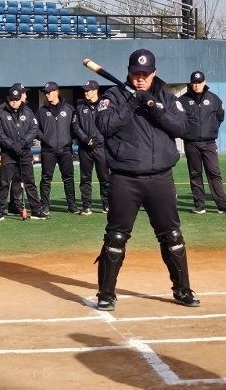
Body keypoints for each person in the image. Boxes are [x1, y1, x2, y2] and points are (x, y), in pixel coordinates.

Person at [95, 49, 198, 311]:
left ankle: (183, 289)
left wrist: (153, 106)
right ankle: (106, 293)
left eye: (145, 74)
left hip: (160, 178)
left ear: (154, 73)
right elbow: (105, 126)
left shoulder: (167, 97)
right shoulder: (114, 96)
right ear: (128, 73)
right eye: (135, 74)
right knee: (116, 237)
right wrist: (131, 104)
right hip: (125, 178)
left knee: (172, 236)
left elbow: (182, 127)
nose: (140, 79)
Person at [0, 86, 47, 220]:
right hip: (8, 153)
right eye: (12, 99)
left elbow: (33, 129)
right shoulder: (1, 113)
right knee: (4, 182)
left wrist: (21, 143)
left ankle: (36, 209)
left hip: (24, 152)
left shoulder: (28, 112)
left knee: (29, 181)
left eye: (17, 99)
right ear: (8, 99)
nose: (14, 102)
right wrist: (12, 145)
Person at [178, 71, 226, 214]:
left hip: (209, 143)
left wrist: (210, 131)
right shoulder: (182, 100)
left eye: (199, 82)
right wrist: (187, 133)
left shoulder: (214, 99)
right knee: (195, 174)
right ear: (191, 83)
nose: (197, 85)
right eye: (194, 82)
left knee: (214, 173)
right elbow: (178, 120)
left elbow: (220, 116)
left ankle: (222, 205)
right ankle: (199, 205)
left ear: (204, 82)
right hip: (191, 143)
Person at [36, 81, 79, 215]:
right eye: (45, 92)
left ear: (56, 92)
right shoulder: (41, 111)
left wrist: (67, 138)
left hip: (65, 149)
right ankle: (45, 205)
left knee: (68, 178)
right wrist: (45, 138)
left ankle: (71, 205)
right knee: (46, 178)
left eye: (49, 92)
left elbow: (75, 127)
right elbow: (35, 128)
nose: (47, 94)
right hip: (48, 150)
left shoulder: (69, 109)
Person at [71, 80, 110, 215]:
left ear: (95, 91)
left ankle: (106, 204)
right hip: (85, 148)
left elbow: (109, 125)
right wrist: (86, 139)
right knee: (85, 178)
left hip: (101, 148)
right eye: (85, 90)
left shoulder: (105, 106)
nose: (86, 92)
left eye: (88, 90)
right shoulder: (80, 107)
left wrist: (99, 139)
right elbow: (76, 126)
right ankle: (86, 206)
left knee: (104, 178)